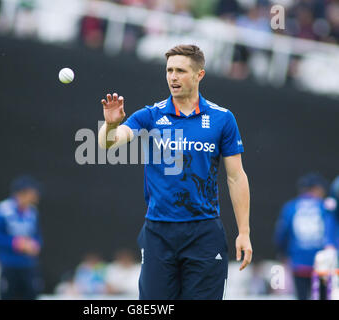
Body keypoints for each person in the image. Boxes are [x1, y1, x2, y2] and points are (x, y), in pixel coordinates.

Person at [98, 44, 252, 300]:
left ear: (199, 75)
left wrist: (244, 232)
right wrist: (111, 124)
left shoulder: (222, 118)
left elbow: (236, 176)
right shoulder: (151, 115)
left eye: (180, 70)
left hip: (204, 233)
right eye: (169, 70)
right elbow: (107, 142)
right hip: (159, 232)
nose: (173, 77)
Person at [274, 173, 336, 300]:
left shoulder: (291, 207)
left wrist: (283, 254)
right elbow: (332, 230)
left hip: (299, 263)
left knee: (301, 296)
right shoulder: (325, 206)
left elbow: (281, 233)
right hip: (322, 264)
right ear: (317, 189)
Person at [0, 175, 44, 300]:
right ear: (21, 193)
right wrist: (16, 243)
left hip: (28, 265)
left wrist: (35, 245)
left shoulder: (32, 212)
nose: (35, 196)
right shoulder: (2, 210)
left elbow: (37, 236)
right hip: (8, 264)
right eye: (31, 192)